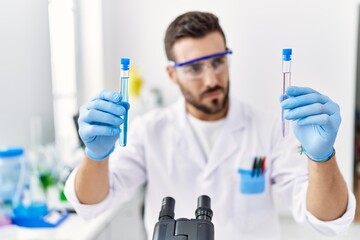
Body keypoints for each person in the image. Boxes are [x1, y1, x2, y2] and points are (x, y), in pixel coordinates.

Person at [65, 11, 356, 239]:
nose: (211, 79)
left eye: (218, 62)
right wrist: (95, 157)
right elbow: (92, 205)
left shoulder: (269, 128)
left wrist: (323, 159)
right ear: (171, 74)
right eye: (194, 68)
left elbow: (326, 219)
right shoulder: (148, 130)